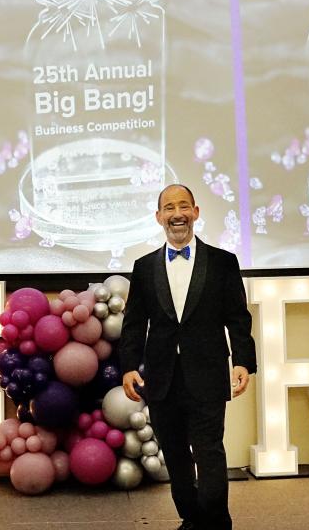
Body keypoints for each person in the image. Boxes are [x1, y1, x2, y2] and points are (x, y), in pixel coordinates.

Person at [120, 184, 257, 530]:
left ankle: (215, 523)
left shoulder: (224, 262)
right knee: (176, 456)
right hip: (162, 377)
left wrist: (243, 361)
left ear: (196, 212)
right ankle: (192, 520)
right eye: (169, 208)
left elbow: (237, 318)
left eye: (183, 206)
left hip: (208, 373)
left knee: (209, 452)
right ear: (158, 217)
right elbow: (134, 323)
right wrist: (127, 368)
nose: (176, 214)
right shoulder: (144, 266)